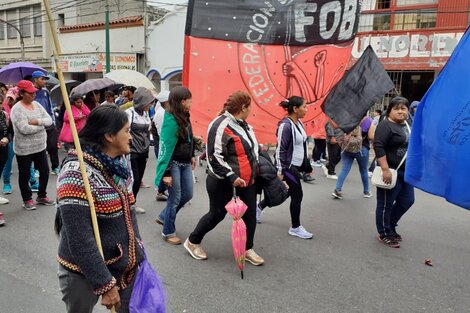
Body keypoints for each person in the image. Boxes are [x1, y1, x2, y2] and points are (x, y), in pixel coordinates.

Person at [55, 105, 144, 312]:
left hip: (123, 267)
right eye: (127, 131)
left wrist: (138, 252)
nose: (130, 137)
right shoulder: (76, 174)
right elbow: (79, 238)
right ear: (109, 136)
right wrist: (104, 283)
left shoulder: (117, 166)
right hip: (82, 273)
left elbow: (129, 212)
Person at [184, 91, 264, 265]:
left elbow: (250, 150)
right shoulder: (220, 125)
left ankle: (247, 248)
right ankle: (192, 241)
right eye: (250, 106)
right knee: (217, 214)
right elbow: (213, 157)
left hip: (247, 181)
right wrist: (232, 176)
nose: (251, 110)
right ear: (243, 107)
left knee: (250, 214)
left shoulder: (244, 124)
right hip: (221, 181)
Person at [154, 86, 195, 245]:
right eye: (189, 99)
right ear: (182, 101)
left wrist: (192, 156)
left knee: (188, 194)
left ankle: (164, 216)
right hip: (174, 164)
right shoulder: (170, 119)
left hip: (184, 162)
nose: (192, 102)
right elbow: (166, 147)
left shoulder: (185, 115)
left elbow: (188, 138)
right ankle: (168, 231)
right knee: (175, 197)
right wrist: (167, 172)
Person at [374, 96, 414, 248]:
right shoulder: (385, 126)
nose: (400, 112)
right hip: (390, 171)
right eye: (396, 108)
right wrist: (385, 170)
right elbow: (378, 146)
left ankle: (390, 225)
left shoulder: (408, 124)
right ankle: (384, 233)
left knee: (407, 200)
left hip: (406, 172)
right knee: (385, 204)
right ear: (389, 110)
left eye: (403, 108)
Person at [273, 96, 314, 239]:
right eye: (304, 107)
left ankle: (259, 207)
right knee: (298, 193)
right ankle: (295, 227)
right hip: (288, 168)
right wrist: (280, 171)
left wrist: (306, 164)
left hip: (297, 166)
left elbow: (302, 143)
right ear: (295, 109)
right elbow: (280, 150)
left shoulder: (299, 123)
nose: (306, 110)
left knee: (290, 192)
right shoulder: (286, 125)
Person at [10, 80, 54, 210]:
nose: (33, 95)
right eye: (30, 93)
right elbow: (24, 128)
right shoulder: (17, 109)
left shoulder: (37, 104)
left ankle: (42, 195)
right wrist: (41, 127)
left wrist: (37, 121)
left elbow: (49, 120)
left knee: (45, 171)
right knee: (24, 175)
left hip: (40, 146)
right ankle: (27, 199)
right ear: (22, 93)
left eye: (34, 92)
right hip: (24, 148)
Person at [332, 115, 375, 200]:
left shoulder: (348, 118)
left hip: (347, 147)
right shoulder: (369, 120)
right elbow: (370, 136)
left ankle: (338, 189)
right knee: (363, 170)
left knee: (344, 169)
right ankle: (366, 191)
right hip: (362, 148)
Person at [125, 87, 154, 214]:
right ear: (142, 101)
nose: (151, 104)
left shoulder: (146, 114)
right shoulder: (129, 113)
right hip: (132, 152)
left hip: (143, 151)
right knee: (134, 179)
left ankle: (132, 202)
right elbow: (124, 130)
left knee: (139, 179)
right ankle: (129, 203)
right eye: (149, 102)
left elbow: (148, 132)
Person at [32, 71, 60, 175]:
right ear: (35, 80)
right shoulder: (30, 92)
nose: (44, 81)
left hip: (49, 123)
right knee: (39, 148)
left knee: (53, 147)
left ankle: (55, 167)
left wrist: (53, 122)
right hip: (37, 124)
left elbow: (50, 107)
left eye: (45, 79)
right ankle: (37, 169)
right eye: (42, 79)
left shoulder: (46, 92)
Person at [152, 90, 170, 201]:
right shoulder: (161, 114)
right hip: (161, 144)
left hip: (161, 143)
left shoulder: (164, 111)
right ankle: (160, 191)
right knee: (163, 167)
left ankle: (162, 190)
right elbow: (161, 133)